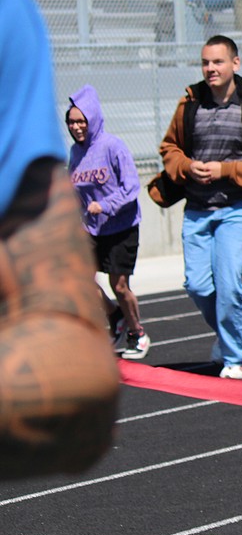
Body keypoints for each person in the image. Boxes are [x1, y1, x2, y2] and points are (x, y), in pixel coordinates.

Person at [0, 0, 120, 478]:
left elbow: (77, 388)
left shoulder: (5, 8)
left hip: (114, 227)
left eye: (79, 120)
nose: (74, 127)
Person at [154, 35, 242, 379]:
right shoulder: (189, 103)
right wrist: (186, 166)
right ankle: (227, 338)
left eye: (218, 62)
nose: (210, 69)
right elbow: (169, 147)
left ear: (235, 64)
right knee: (197, 285)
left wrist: (224, 170)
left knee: (228, 284)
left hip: (238, 208)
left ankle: (235, 356)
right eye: (205, 63)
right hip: (197, 208)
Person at [65, 85, 150, 359]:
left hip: (121, 227)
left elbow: (131, 187)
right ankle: (115, 317)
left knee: (120, 286)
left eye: (81, 121)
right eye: (71, 122)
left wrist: (105, 204)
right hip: (90, 227)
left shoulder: (113, 146)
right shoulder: (75, 152)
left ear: (93, 119)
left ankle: (137, 332)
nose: (76, 127)